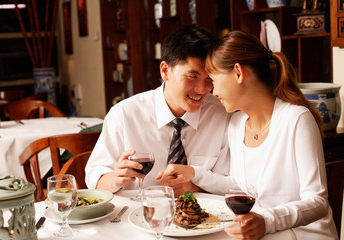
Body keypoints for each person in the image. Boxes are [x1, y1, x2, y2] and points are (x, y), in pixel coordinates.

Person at [158, 30, 338, 239]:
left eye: (214, 79)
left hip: (304, 235)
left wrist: (266, 221)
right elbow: (241, 186)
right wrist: (194, 173)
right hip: (264, 234)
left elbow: (317, 202)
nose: (212, 92)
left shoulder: (296, 120)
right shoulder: (236, 123)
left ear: (238, 73)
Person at [85, 26, 231, 196]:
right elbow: (95, 181)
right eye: (192, 76)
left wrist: (193, 186)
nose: (202, 89)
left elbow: (229, 180)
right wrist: (115, 179)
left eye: (209, 79)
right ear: (165, 71)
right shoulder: (124, 114)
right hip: (134, 215)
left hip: (204, 218)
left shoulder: (221, 115)